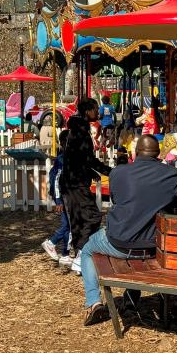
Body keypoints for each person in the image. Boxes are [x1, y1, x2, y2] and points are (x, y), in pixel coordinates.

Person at [81, 135, 177, 325]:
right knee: (139, 249)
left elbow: (117, 200)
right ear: (158, 154)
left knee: (88, 249)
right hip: (155, 245)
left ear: (136, 152)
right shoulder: (175, 176)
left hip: (119, 242)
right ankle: (130, 300)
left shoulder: (118, 173)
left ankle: (94, 302)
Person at [59, 97, 112, 275]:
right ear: (87, 111)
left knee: (78, 219)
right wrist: (108, 171)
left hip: (72, 180)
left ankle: (80, 256)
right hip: (76, 182)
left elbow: (77, 158)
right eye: (96, 109)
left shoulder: (76, 130)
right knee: (92, 217)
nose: (98, 113)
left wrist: (92, 172)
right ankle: (82, 254)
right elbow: (87, 158)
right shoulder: (80, 132)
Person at [42, 130, 70, 262]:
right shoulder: (62, 159)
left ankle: (65, 254)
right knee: (67, 225)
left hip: (65, 196)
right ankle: (51, 242)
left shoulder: (66, 157)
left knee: (67, 224)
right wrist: (58, 201)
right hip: (61, 196)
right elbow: (57, 180)